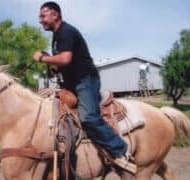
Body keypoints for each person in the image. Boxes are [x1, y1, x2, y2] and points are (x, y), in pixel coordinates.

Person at [33, 1, 136, 173]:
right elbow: (64, 64)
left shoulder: (66, 31)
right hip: (73, 84)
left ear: (55, 15)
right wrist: (53, 68)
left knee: (88, 117)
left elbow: (65, 58)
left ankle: (120, 152)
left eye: (43, 16)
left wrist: (42, 58)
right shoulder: (57, 36)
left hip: (85, 81)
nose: (40, 20)